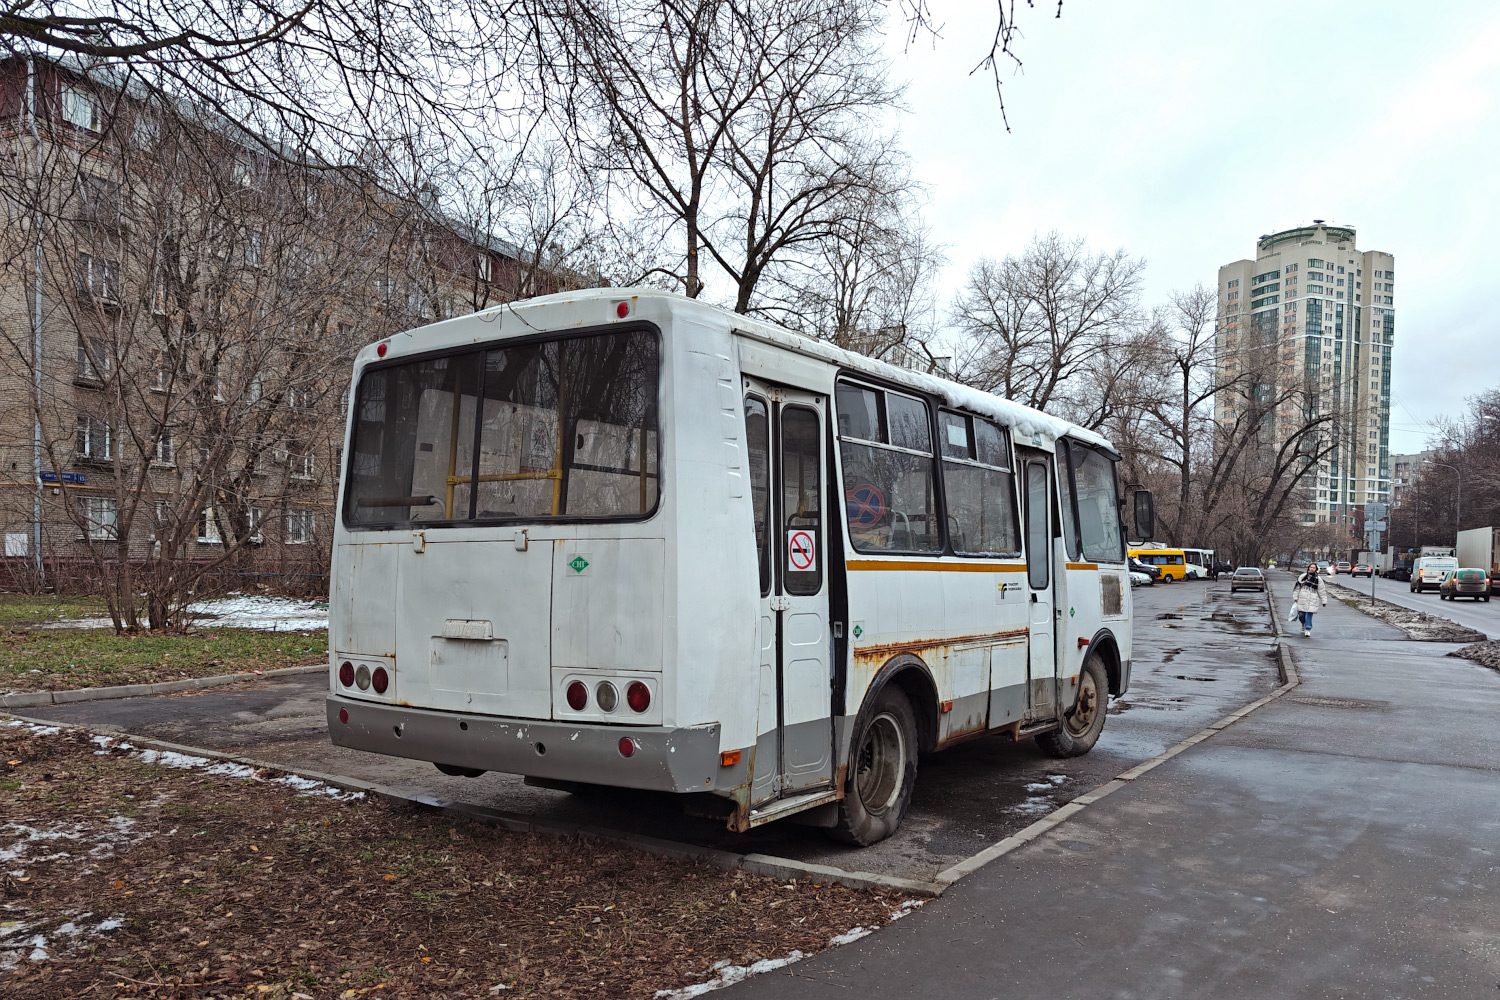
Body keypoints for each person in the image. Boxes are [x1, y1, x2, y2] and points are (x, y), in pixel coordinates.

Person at [1291, 562, 1329, 637]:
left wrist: (1324, 601)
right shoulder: (1303, 576)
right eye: (1311, 567)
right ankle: (1303, 624)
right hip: (1302, 598)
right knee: (1301, 615)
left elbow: (1321, 590)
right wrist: (1295, 597)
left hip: (1313, 599)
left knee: (1309, 614)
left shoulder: (1318, 579)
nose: (1312, 569)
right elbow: (1297, 588)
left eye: (1313, 568)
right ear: (1308, 568)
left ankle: (1307, 629)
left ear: (1316, 569)